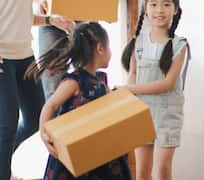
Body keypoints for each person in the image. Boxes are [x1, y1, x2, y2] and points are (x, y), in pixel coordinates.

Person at [0, 0, 74, 180]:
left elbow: (21, 16)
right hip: (3, 59)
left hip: (24, 55)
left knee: (34, 120)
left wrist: (51, 20)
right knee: (6, 124)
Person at [25, 22, 131, 180]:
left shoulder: (101, 80)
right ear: (100, 48)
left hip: (99, 150)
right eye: (108, 48)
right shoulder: (74, 81)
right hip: (76, 151)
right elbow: (51, 105)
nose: (110, 52)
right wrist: (44, 133)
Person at [120, 0, 191, 180]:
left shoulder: (180, 45)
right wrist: (128, 91)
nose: (159, 10)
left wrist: (131, 89)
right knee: (142, 172)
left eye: (166, 4)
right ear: (146, 9)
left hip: (167, 114)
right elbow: (133, 73)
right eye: (153, 4)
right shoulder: (138, 42)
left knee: (162, 170)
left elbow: (168, 84)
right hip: (141, 112)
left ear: (175, 10)